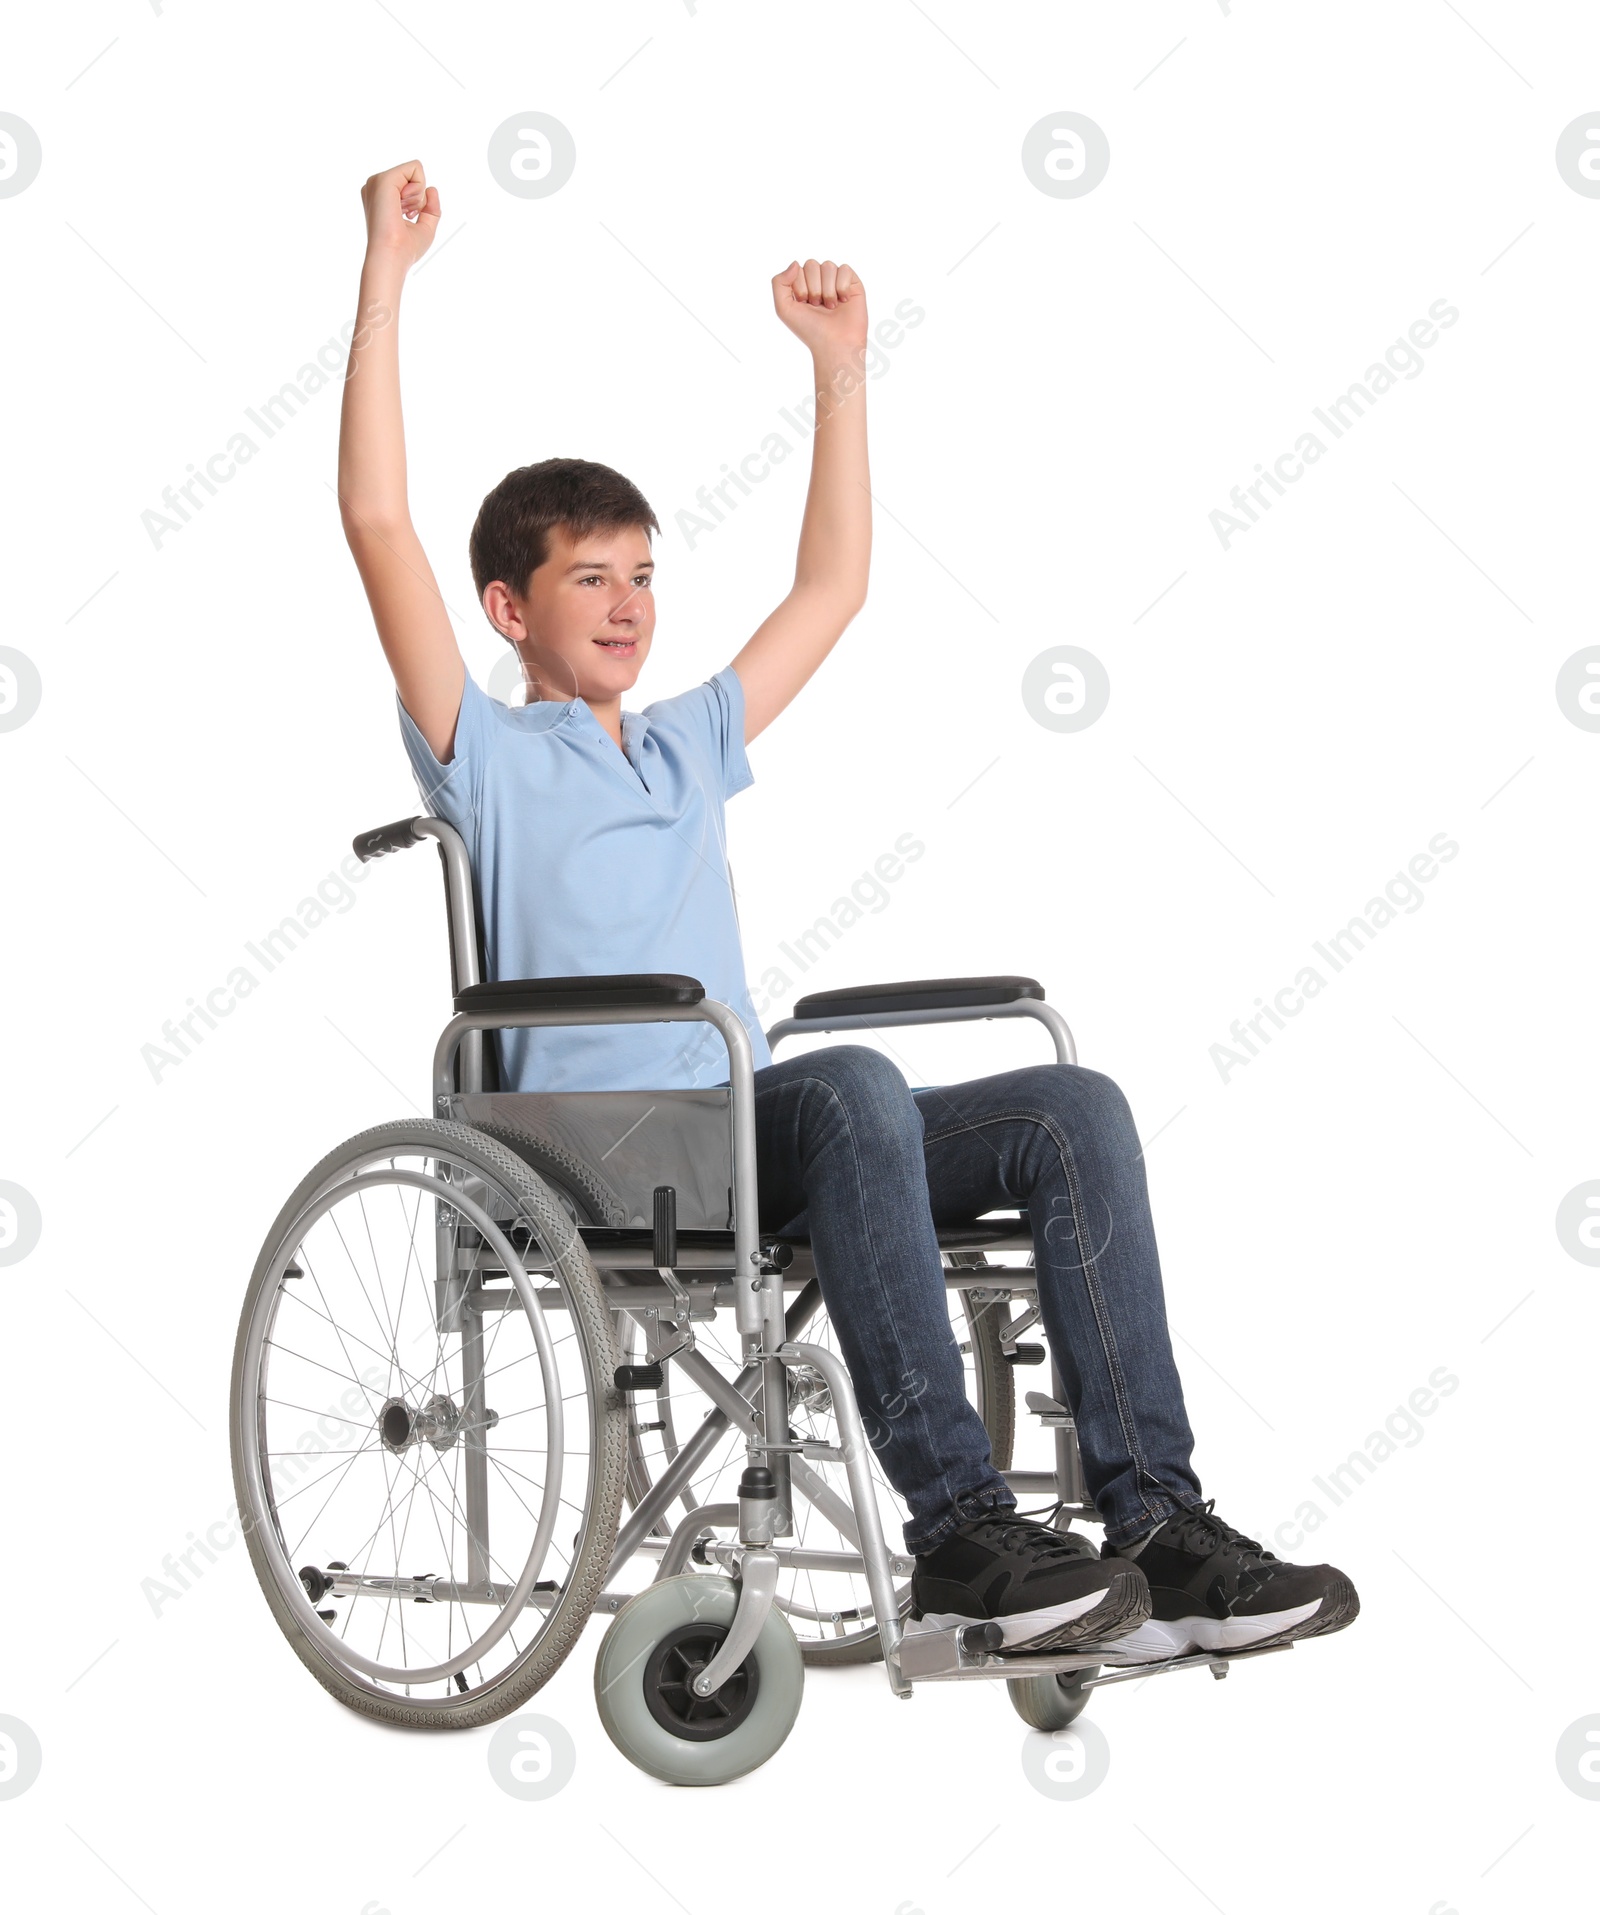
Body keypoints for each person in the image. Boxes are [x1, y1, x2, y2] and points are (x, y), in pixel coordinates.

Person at [339, 159, 1359, 1666]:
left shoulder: (683, 739)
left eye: (642, 577)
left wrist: (840, 374)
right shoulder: (483, 752)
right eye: (589, 581)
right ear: (510, 609)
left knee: (1071, 1106)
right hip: (601, 1149)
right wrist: (387, 276)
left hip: (744, 1125)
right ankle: (957, 1528)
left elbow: (835, 585)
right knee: (854, 1087)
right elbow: (375, 518)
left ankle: (1152, 1520)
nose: (628, 606)